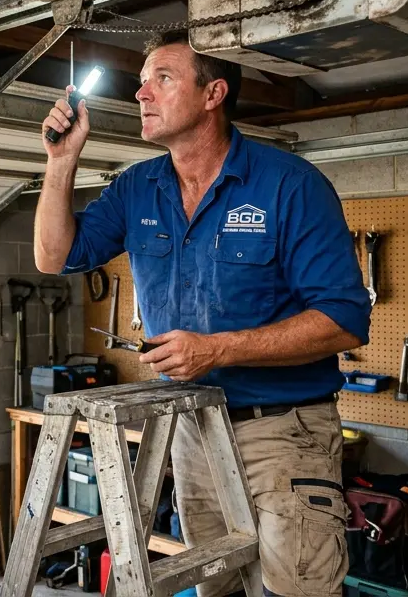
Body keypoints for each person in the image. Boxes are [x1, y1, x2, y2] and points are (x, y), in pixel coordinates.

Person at [33, 31, 370, 597]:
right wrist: (61, 161)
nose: (142, 93)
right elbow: (53, 255)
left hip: (282, 432)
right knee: (216, 590)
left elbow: (343, 319)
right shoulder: (139, 187)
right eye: (143, 80)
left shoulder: (289, 184)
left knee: (296, 590)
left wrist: (216, 349)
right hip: (191, 430)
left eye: (162, 78)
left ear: (213, 93)